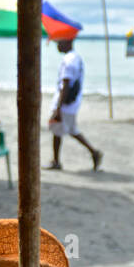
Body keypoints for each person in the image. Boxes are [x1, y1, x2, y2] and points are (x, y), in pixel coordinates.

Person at [47, 38, 102, 171]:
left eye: (60, 42)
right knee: (68, 130)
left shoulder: (70, 60)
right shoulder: (74, 58)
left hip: (65, 104)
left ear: (68, 42)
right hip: (70, 104)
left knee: (59, 130)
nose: (58, 45)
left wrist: (58, 108)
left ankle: (57, 161)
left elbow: (66, 84)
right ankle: (93, 152)